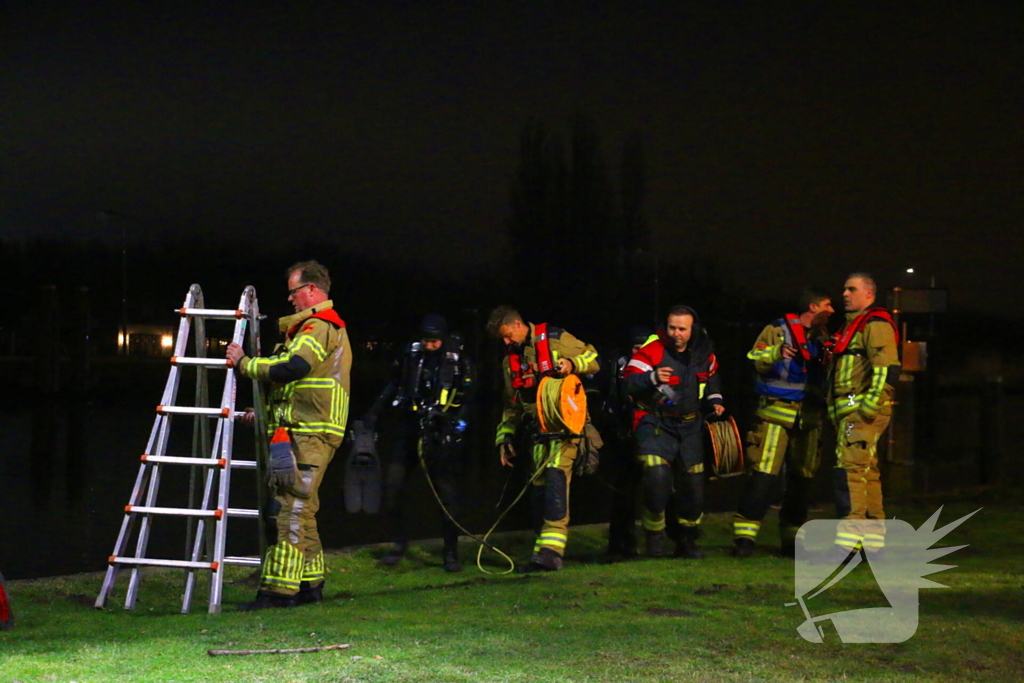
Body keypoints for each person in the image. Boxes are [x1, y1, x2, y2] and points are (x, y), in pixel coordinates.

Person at [227, 260, 351, 609]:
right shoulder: (313, 328)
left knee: (287, 511)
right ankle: (310, 585)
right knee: (302, 511)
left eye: (294, 291)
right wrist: (264, 414)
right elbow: (299, 390)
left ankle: (278, 593)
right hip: (302, 431)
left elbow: (292, 368)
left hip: (310, 435)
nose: (290, 298)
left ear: (311, 290)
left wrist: (244, 364)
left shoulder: (319, 325)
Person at [488, 305, 599, 571]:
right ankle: (543, 549)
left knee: (555, 481)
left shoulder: (554, 339)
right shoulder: (510, 362)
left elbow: (593, 359)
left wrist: (572, 364)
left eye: (507, 335)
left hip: (565, 429)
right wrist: (504, 437)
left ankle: (551, 554)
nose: (506, 342)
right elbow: (512, 404)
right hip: (538, 433)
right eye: (502, 339)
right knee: (539, 491)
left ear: (518, 324)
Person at [364, 314, 474, 572]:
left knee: (446, 495)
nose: (429, 345)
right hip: (410, 428)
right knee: (393, 485)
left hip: (440, 433)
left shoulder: (457, 360)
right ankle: (399, 543)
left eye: (434, 341)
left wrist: (457, 427)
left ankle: (451, 552)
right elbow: (394, 383)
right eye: (426, 340)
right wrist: (374, 412)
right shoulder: (411, 355)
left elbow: (469, 398)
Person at [731, 289, 834, 558]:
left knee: (802, 480)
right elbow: (753, 357)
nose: (832, 310)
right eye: (827, 305)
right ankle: (744, 538)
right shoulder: (777, 330)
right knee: (763, 475)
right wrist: (776, 352)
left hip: (809, 417)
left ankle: (792, 539)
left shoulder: (823, 337)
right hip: (775, 413)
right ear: (813, 307)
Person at [623, 305, 724, 559]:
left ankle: (687, 540)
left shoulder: (704, 353)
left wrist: (715, 400)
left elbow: (712, 378)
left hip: (691, 426)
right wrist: (652, 378)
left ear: (692, 329)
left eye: (682, 329)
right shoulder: (651, 351)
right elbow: (628, 383)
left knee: (693, 487)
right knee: (656, 479)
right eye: (672, 328)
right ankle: (654, 537)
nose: (676, 333)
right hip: (656, 423)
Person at [825, 273, 900, 560]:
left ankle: (849, 546)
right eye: (844, 288)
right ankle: (872, 545)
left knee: (850, 473)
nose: (845, 294)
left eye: (852, 289)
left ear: (869, 294)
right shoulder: (854, 325)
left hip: (860, 413)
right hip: (852, 413)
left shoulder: (874, 324)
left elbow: (886, 369)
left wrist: (867, 409)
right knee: (866, 474)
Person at [602, 326, 652, 559]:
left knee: (657, 487)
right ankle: (621, 544)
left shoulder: (658, 363)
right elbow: (610, 396)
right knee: (623, 491)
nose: (639, 352)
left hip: (652, 433)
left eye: (644, 347)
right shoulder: (618, 365)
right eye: (636, 348)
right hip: (622, 433)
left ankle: (673, 540)